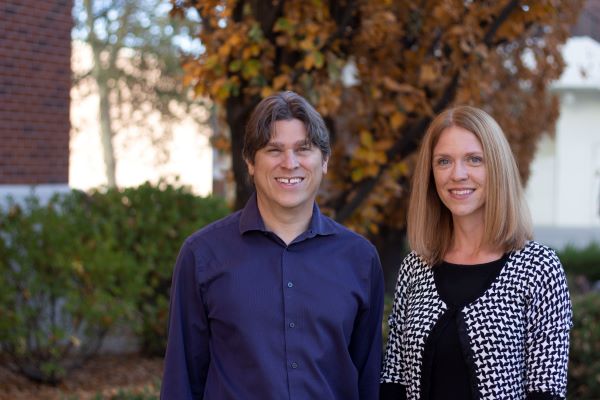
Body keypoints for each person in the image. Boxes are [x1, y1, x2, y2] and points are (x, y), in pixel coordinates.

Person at [161, 91, 384, 400]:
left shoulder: (359, 259)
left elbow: (369, 380)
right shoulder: (202, 255)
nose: (289, 163)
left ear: (325, 161)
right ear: (250, 162)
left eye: (303, 149)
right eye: (273, 150)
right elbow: (181, 382)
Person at [380, 106, 572, 400]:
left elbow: (546, 390)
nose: (458, 174)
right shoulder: (415, 267)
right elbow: (394, 382)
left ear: (496, 168)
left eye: (474, 160)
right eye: (444, 161)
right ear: (431, 174)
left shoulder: (538, 268)